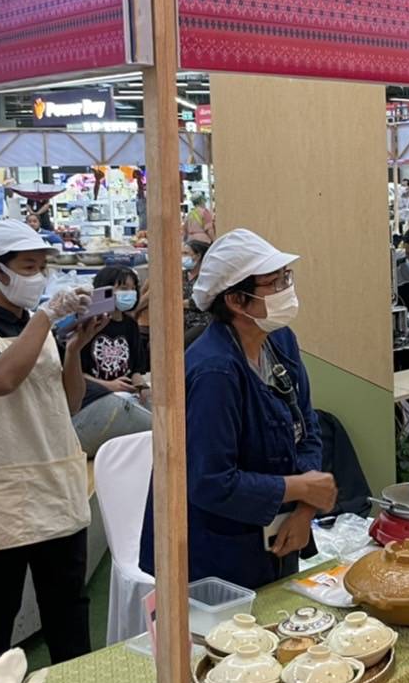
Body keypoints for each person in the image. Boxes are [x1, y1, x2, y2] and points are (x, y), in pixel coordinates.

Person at [138, 228, 337, 588]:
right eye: (273, 284)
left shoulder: (280, 341)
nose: (286, 291)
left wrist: (304, 511)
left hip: (279, 531)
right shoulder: (214, 372)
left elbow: (306, 427)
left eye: (286, 278)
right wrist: (298, 489)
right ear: (236, 301)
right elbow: (212, 481)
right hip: (213, 549)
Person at [0, 220, 100, 661]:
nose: (39, 278)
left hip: (55, 485)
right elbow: (0, 379)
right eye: (29, 267)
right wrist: (49, 316)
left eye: (42, 267)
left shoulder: (39, 327)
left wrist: (73, 350)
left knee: (68, 613)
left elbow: (68, 402)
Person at [71, 264, 153, 459]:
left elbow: (135, 369)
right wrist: (108, 385)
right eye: (122, 288)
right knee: (156, 428)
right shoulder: (88, 324)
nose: (129, 293)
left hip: (126, 397)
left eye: (133, 288)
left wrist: (142, 386)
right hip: (95, 403)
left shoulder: (131, 325)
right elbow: (74, 373)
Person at [182, 238, 211, 343]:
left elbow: (200, 301)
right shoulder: (182, 275)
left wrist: (179, 303)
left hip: (201, 322)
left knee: (182, 343)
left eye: (185, 253)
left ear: (198, 256)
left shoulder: (205, 277)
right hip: (181, 321)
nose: (182, 257)